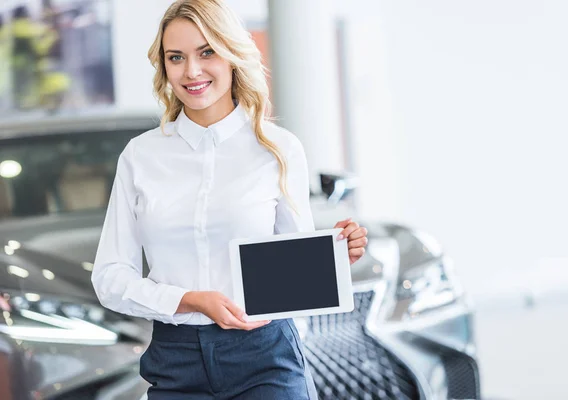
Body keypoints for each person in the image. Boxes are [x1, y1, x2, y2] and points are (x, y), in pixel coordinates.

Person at [91, 1, 368, 399]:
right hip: (175, 363)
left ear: (232, 55)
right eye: (176, 57)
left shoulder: (277, 148)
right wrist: (188, 300)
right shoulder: (140, 156)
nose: (192, 71)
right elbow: (110, 277)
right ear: (164, 67)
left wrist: (333, 257)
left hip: (265, 357)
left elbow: (293, 270)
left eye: (207, 52)